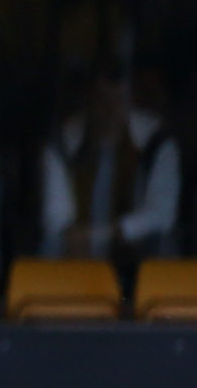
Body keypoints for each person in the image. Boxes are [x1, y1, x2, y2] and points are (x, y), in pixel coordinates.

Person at [41, 69, 180, 259]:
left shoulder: (155, 143)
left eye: (118, 102)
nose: (111, 112)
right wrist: (75, 239)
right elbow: (56, 220)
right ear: (89, 102)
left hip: (139, 263)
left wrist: (107, 234)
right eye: (103, 103)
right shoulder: (63, 144)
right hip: (77, 263)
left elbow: (162, 215)